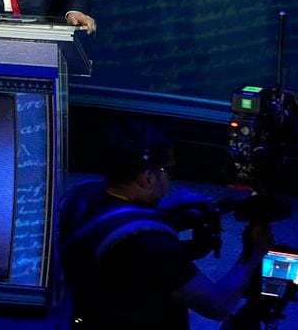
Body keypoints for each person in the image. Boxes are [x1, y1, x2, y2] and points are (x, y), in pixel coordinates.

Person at [57, 119, 274, 328]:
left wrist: (160, 210)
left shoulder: (79, 197)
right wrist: (253, 253)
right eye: (167, 171)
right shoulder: (154, 246)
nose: (170, 180)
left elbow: (111, 226)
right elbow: (217, 305)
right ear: (146, 178)